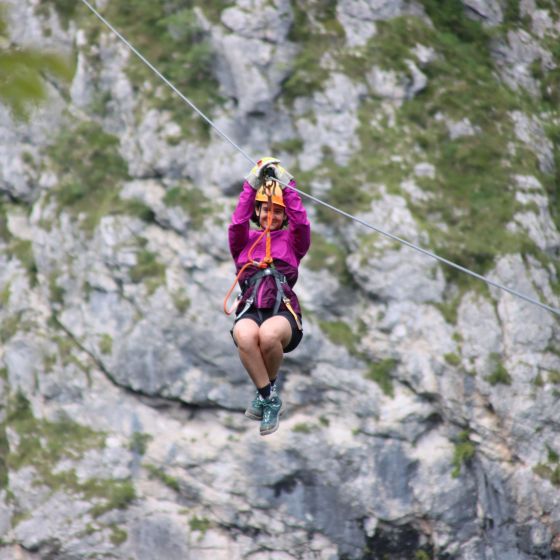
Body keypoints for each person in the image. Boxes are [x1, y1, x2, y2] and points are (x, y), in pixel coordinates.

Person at [228, 157, 310, 436]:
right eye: (265, 210)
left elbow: (301, 222)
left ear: (284, 216)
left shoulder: (293, 242)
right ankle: (268, 397)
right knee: (245, 334)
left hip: (282, 311)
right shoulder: (244, 241)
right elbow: (237, 222)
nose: (270, 217)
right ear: (258, 211)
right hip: (252, 306)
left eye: (277, 212)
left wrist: (287, 185)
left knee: (268, 335)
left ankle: (267, 390)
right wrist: (251, 184)